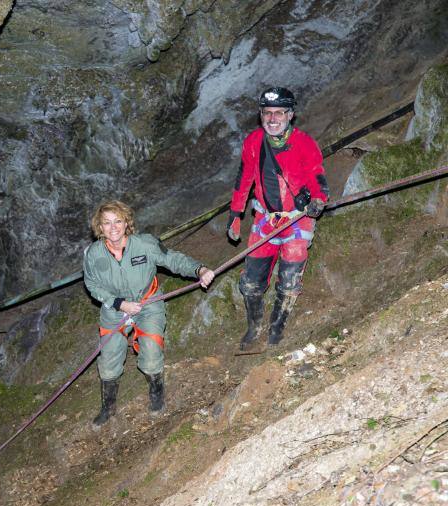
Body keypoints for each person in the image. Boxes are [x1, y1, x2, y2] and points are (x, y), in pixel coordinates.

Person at [83, 200, 215, 427]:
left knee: (152, 350)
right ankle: (108, 407)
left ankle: (156, 393)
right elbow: (92, 284)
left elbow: (172, 259)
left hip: (148, 303)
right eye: (107, 223)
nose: (113, 227)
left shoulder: (144, 244)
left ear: (127, 223)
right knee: (108, 358)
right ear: (100, 228)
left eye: (118, 221)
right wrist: (118, 303)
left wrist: (199, 269)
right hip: (114, 309)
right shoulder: (93, 254)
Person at [227, 87, 329, 350]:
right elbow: (244, 178)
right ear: (261, 115)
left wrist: (319, 200)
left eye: (279, 113)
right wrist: (236, 213)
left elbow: (317, 175)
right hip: (266, 220)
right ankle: (254, 326)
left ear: (290, 115)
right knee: (251, 283)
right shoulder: (253, 143)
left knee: (290, 275)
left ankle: (277, 326)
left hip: (297, 219)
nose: (273, 119)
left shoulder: (305, 143)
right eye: (267, 113)